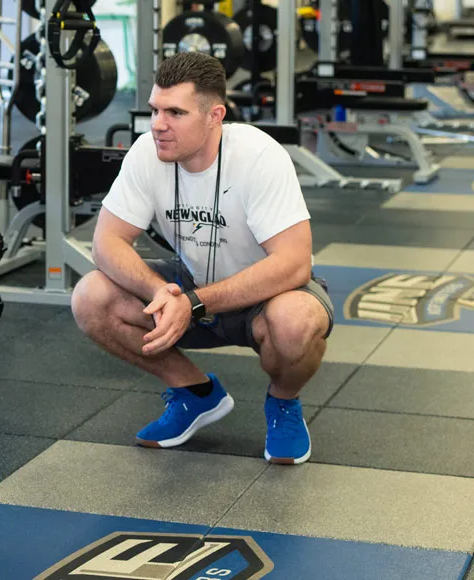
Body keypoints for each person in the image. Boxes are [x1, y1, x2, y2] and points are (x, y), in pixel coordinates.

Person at [71, 52, 333, 466]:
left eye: (175, 112)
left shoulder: (259, 156)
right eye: (156, 109)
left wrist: (192, 303)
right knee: (90, 297)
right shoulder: (146, 152)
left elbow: (294, 263)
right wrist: (162, 292)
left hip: (268, 294)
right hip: (191, 285)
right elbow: (107, 242)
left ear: (215, 116)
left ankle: (284, 403)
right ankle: (195, 394)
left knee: (295, 322)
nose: (158, 123)